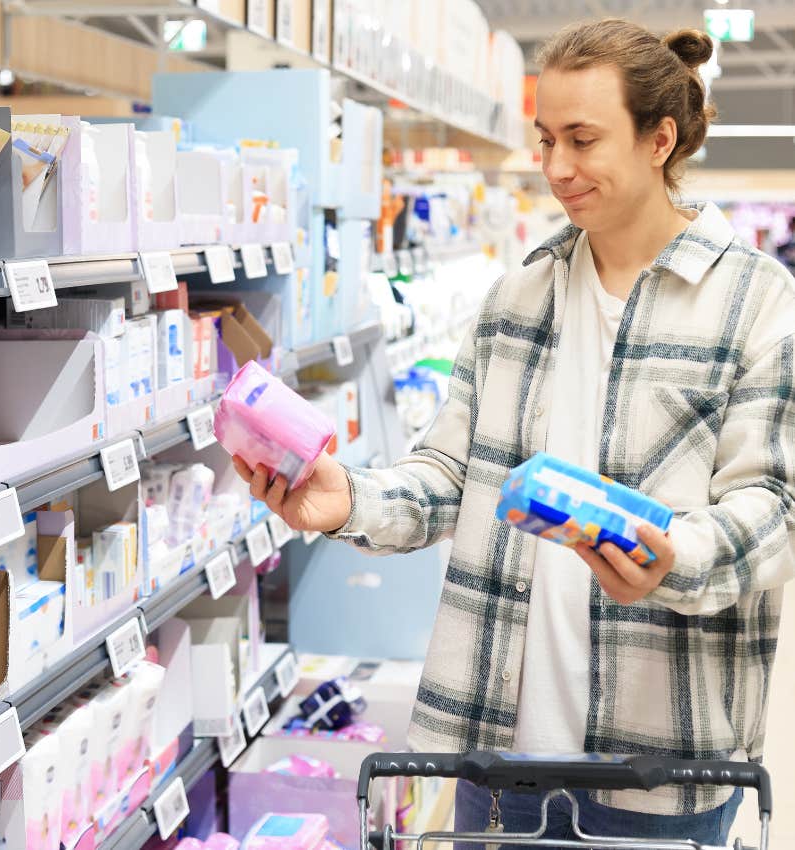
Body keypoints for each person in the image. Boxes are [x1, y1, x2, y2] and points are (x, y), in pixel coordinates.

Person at [233, 18, 795, 848]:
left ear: (658, 140)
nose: (557, 168)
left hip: (659, 762)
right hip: (496, 755)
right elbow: (447, 477)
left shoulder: (754, 300)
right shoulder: (516, 300)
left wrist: (675, 556)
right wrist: (346, 498)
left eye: (582, 138)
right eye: (544, 139)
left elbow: (771, 506)